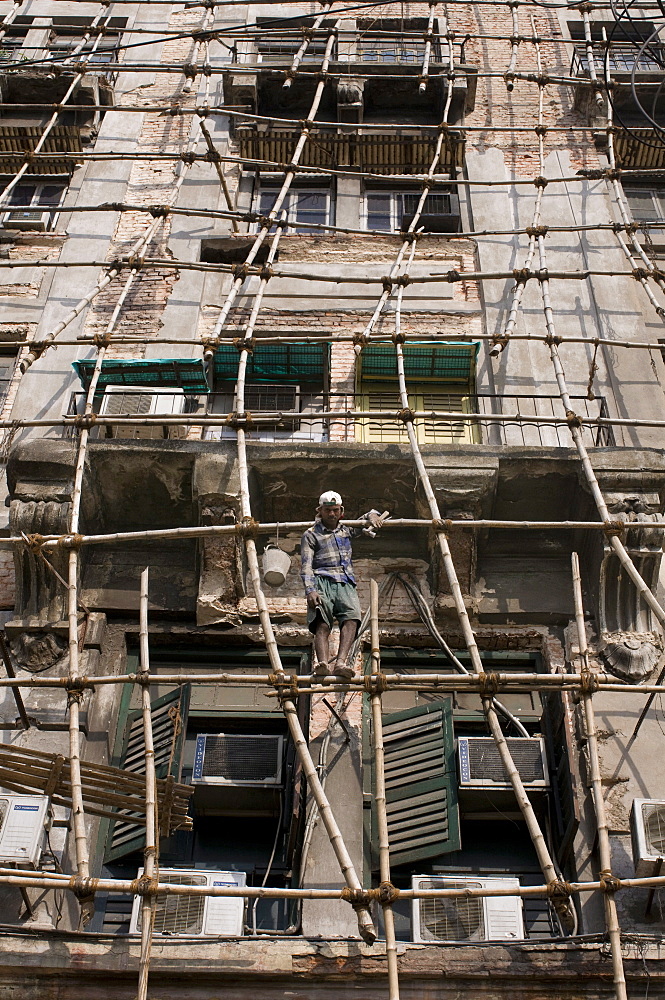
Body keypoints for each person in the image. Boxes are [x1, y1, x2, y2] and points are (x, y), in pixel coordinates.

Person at [300, 491, 387, 678]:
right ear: (320, 511)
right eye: (327, 510)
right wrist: (310, 590)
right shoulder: (311, 534)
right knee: (322, 623)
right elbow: (306, 565)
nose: (331, 514)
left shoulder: (346, 529)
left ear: (341, 511)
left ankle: (340, 663)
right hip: (322, 581)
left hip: (346, 582)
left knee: (351, 619)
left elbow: (367, 518)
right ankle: (322, 663)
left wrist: (373, 515)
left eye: (335, 510)